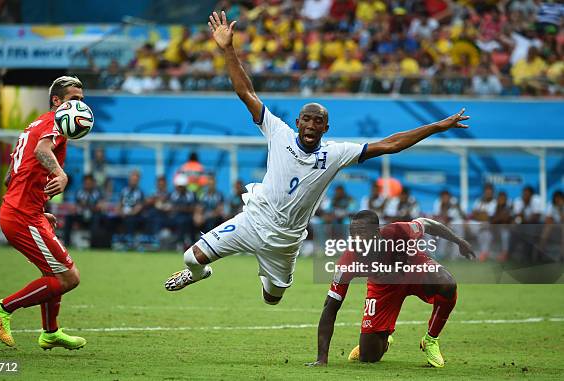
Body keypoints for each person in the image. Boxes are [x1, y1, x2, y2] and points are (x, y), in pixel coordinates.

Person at [164, 11, 471, 306]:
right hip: (254, 220)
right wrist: (228, 49)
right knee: (192, 257)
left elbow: (390, 144)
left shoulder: (335, 153)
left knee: (272, 298)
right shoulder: (278, 132)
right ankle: (199, 275)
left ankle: (268, 275)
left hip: (286, 240)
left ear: (326, 127)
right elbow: (246, 92)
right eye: (306, 119)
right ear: (298, 122)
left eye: (317, 121)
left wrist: (436, 126)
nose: (311, 125)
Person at [0, 76, 86, 349]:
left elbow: (10, 176)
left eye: (82, 101)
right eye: (74, 100)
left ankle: (50, 333)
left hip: (24, 212)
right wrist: (60, 174)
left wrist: (38, 208)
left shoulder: (35, 125)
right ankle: (2, 309)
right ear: (57, 101)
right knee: (68, 277)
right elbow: (42, 151)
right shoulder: (54, 124)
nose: (80, 106)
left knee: (53, 272)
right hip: (22, 216)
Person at [306, 211, 474, 368]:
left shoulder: (399, 232)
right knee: (368, 357)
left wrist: (458, 241)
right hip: (383, 288)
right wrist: (322, 358)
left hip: (415, 270)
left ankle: (431, 339)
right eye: (353, 233)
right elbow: (330, 306)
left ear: (377, 232)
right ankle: (384, 338)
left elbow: (427, 224)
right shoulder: (349, 261)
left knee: (447, 283)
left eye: (362, 232)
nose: (357, 238)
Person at [63, 174, 103, 247]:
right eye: (86, 183)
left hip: (93, 215)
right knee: (69, 217)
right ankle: (66, 243)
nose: (87, 185)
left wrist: (88, 206)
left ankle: (94, 244)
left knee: (97, 218)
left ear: (93, 183)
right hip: (81, 215)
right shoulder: (79, 192)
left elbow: (99, 206)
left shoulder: (97, 193)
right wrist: (76, 208)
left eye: (89, 183)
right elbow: (75, 206)